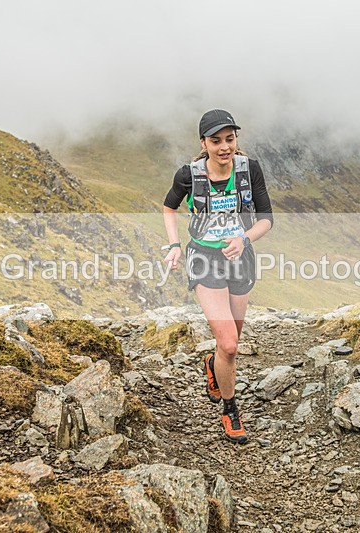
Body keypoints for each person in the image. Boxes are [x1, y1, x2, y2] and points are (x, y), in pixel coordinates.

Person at [162, 109, 274, 444]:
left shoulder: (248, 169)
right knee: (229, 343)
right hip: (204, 258)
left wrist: (243, 239)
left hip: (241, 257)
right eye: (216, 141)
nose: (224, 147)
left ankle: (213, 365)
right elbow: (169, 208)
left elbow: (266, 218)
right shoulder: (189, 175)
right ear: (204, 143)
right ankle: (230, 409)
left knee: (228, 348)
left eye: (230, 139)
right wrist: (174, 245)